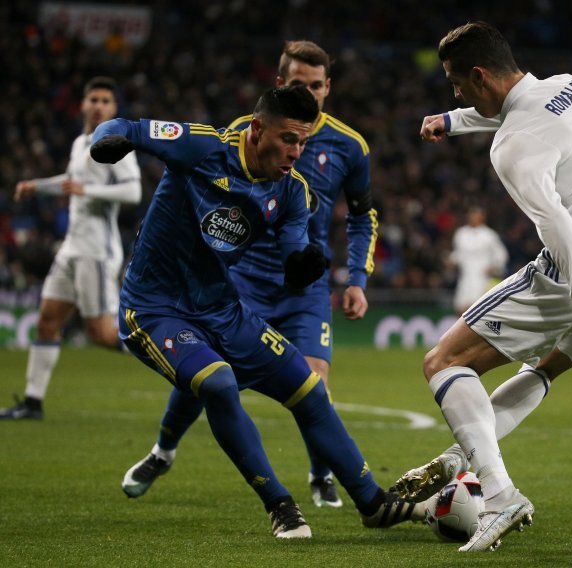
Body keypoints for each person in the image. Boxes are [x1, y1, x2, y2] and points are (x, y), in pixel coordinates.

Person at [89, 85, 422, 539]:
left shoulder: (291, 192)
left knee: (308, 389)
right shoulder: (203, 145)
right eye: (288, 139)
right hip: (154, 307)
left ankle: (372, 502)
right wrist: (105, 140)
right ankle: (279, 504)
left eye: (303, 142)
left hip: (221, 307)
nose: (296, 152)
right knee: (218, 383)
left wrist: (301, 264)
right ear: (258, 128)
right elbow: (126, 127)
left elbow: (293, 250)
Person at [392, 22, 572, 552]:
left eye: (457, 84)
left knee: (444, 362)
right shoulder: (568, 86)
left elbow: (555, 220)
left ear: (481, 75)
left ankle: (500, 494)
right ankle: (458, 459)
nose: (455, 92)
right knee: (543, 371)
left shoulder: (510, 149)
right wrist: (453, 120)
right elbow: (525, 114)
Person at [119, 40, 378, 509]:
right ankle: (164, 450)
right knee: (208, 378)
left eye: (318, 86)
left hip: (302, 280)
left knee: (311, 383)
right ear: (280, 86)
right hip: (240, 278)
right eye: (300, 85)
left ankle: (322, 475)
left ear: (328, 88)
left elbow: (362, 214)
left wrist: (357, 275)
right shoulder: (240, 136)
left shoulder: (350, 147)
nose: (311, 95)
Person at [1, 77, 141, 420]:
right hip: (71, 250)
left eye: (106, 101)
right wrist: (37, 187)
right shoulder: (81, 143)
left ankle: (175, 357)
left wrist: (87, 191)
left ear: (114, 109)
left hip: (96, 252)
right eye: (93, 99)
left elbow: (133, 192)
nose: (98, 106)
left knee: (103, 335)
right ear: (82, 104)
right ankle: (33, 403)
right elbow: (70, 184)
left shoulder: (115, 142)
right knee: (48, 321)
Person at [450, 206, 508, 314]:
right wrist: (451, 261)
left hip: (482, 279)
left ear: (482, 217)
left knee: (477, 311)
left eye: (476, 215)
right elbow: (458, 254)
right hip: (465, 278)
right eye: (471, 214)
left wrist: (494, 267)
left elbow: (501, 255)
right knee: (460, 309)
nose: (473, 217)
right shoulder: (461, 233)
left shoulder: (489, 235)